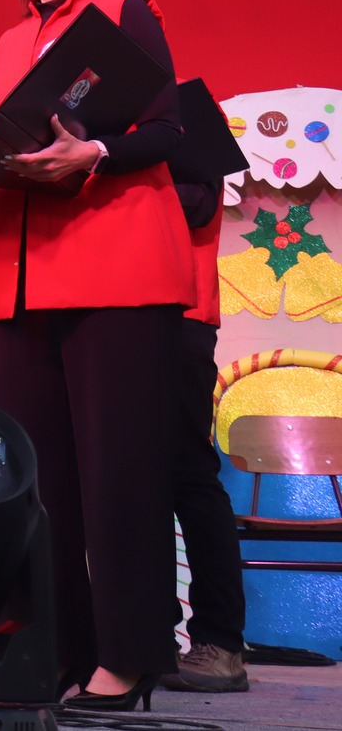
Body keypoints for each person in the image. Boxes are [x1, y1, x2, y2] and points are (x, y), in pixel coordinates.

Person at [0, 0, 193, 710]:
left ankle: (128, 657)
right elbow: (13, 143)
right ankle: (59, 647)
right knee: (38, 479)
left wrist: (91, 155)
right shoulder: (15, 37)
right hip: (21, 278)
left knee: (117, 474)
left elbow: (168, 127)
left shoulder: (125, 8)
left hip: (113, 270)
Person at [163, 110, 246, 694]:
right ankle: (145, 632)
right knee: (125, 487)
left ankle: (219, 641)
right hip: (114, 323)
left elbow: (193, 205)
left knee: (189, 477)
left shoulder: (186, 115)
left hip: (178, 320)